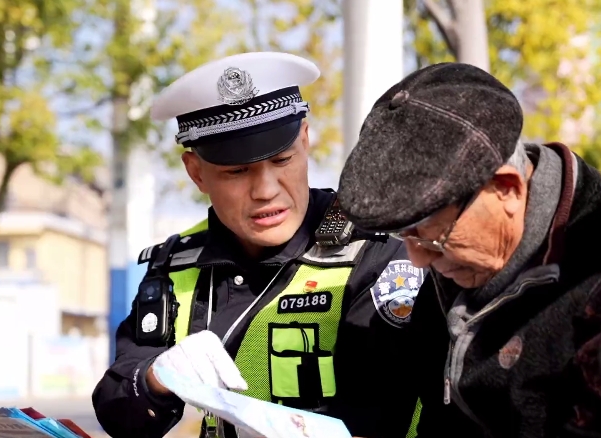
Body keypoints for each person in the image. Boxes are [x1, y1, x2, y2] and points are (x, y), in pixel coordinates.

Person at [92, 52, 424, 438]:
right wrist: (155, 379)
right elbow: (118, 413)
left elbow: (385, 416)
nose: (266, 191)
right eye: (237, 171)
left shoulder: (376, 256)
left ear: (305, 140)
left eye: (282, 160)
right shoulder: (177, 264)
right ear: (196, 172)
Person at [335, 62, 601, 437]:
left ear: (507, 189)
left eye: (432, 237)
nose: (418, 259)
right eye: (403, 236)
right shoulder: (450, 272)